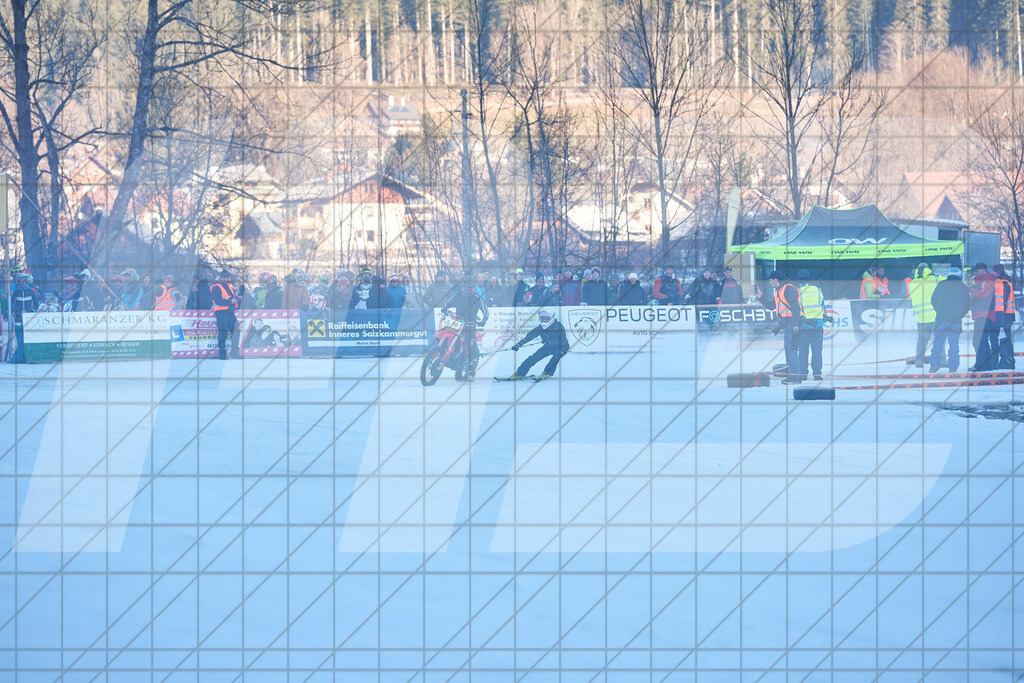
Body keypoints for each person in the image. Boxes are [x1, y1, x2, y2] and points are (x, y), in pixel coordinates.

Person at [756, 271, 803, 384]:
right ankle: (793, 375)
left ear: (775, 280)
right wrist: (761, 297)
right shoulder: (778, 291)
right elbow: (772, 306)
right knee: (789, 351)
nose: (769, 283)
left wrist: (796, 324)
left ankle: (794, 378)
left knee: (792, 350)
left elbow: (796, 307)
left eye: (770, 281)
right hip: (788, 324)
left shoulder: (788, 288)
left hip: (794, 323)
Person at [440, 274, 489, 380]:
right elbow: (447, 304)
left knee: (470, 346)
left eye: (470, 289)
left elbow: (486, 311)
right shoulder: (457, 295)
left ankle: (471, 371)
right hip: (457, 322)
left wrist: (482, 321)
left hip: (470, 324)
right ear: (462, 287)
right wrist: (444, 309)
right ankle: (441, 354)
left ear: (474, 288)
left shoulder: (477, 298)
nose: (467, 290)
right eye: (466, 288)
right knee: (444, 332)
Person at [929, 267, 972, 373]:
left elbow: (933, 300)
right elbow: (968, 304)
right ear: (959, 275)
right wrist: (960, 315)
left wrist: (939, 311)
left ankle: (934, 365)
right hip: (955, 321)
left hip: (940, 319)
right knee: (954, 344)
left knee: (937, 344)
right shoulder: (963, 287)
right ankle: (953, 367)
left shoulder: (941, 285)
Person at [509, 309, 571, 380]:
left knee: (555, 358)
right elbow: (530, 336)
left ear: (552, 318)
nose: (544, 321)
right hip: (548, 347)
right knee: (533, 358)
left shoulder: (558, 326)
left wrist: (561, 350)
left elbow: (563, 341)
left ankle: (547, 373)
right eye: (542, 318)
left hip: (561, 347)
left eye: (546, 318)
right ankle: (519, 374)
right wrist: (518, 344)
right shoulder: (540, 328)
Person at [968, 262, 998, 371]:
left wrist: (971, 289)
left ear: (984, 269)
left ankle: (980, 365)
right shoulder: (980, 280)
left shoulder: (987, 279)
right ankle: (988, 365)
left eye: (977, 270)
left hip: (984, 315)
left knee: (978, 341)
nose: (975, 272)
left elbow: (983, 295)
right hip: (981, 314)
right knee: (982, 341)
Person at [906, 263, 938, 367]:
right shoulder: (933, 280)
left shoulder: (913, 283)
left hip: (921, 318)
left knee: (921, 341)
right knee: (939, 339)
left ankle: (919, 361)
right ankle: (941, 361)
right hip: (934, 316)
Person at [795, 269, 825, 381]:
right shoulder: (817, 290)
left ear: (799, 280)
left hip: (804, 326)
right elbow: (822, 305)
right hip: (817, 325)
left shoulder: (797, 292)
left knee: (803, 350)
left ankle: (803, 374)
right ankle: (817, 374)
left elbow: (796, 309)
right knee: (817, 351)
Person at [10, 271, 39, 363]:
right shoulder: (15, 292)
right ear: (18, 282)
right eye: (21, 281)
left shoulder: (31, 292)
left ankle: (28, 357)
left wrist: (32, 311)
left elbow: (36, 304)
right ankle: (20, 358)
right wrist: (13, 313)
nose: (23, 283)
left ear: (27, 281)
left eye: (24, 281)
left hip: (29, 319)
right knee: (20, 340)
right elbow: (10, 304)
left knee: (29, 339)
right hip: (18, 319)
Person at [211, 270, 241, 359]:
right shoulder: (216, 287)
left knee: (236, 332)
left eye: (228, 277)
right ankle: (222, 354)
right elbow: (217, 301)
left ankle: (234, 352)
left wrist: (237, 298)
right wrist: (230, 301)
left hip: (230, 312)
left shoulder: (229, 286)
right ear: (222, 277)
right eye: (226, 277)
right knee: (223, 333)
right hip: (221, 313)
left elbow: (231, 297)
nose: (228, 279)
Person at [993, 264, 1016, 369]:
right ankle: (1006, 360)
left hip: (1003, 315)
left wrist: (999, 317)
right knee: (1005, 338)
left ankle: (1007, 361)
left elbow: (1003, 302)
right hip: (1007, 314)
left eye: (994, 271)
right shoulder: (1006, 282)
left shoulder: (1002, 283)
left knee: (1004, 338)